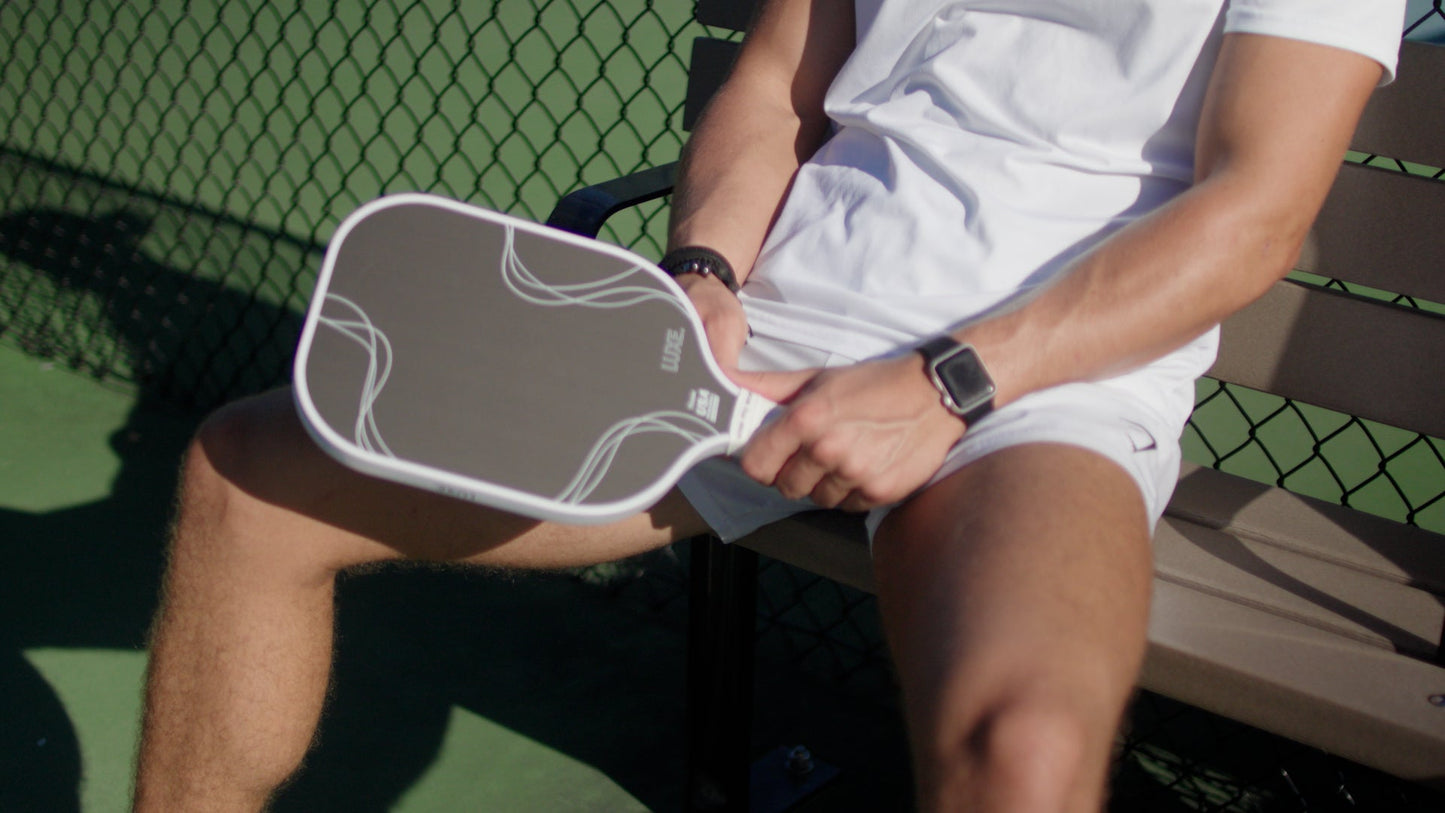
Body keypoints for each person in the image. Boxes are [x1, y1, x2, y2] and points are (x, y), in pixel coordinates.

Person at [133, 1, 1405, 810]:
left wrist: (945, 381)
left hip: (1036, 378)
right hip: (767, 343)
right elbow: (776, 88)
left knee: (1021, 751)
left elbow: (1253, 215)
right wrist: (701, 277)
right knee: (247, 483)